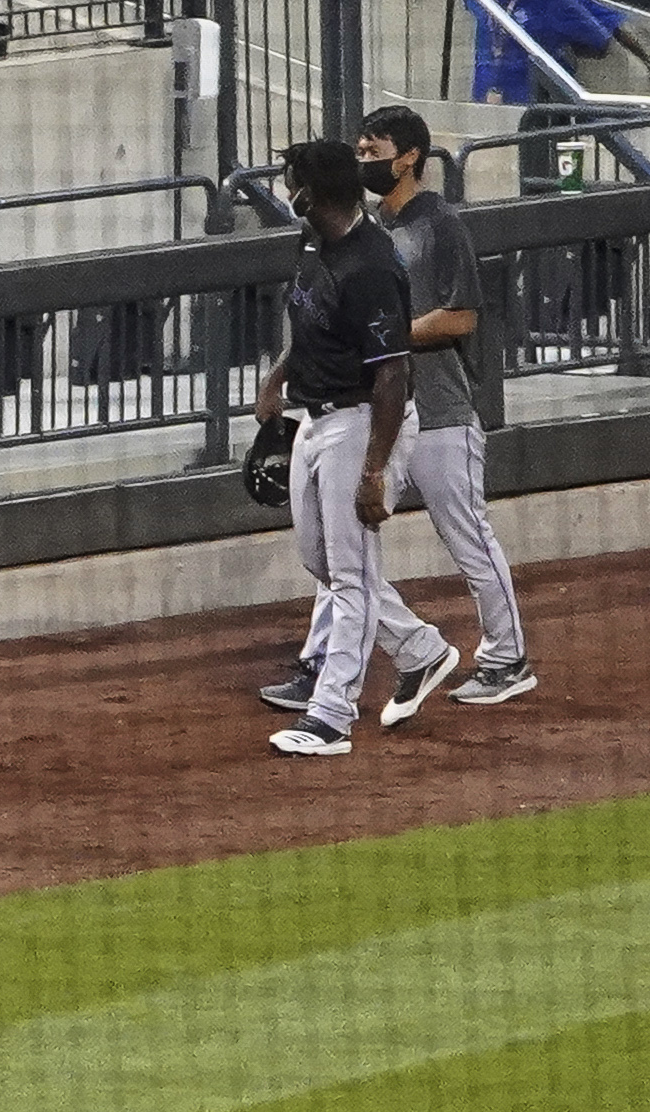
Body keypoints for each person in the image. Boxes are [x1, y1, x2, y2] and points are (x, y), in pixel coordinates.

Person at [256, 139, 441, 758]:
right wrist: (277, 377)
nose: (286, 191)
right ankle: (418, 648)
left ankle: (331, 716)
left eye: (292, 182)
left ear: (315, 193)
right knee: (323, 561)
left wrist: (374, 470)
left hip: (363, 421)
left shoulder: (371, 266)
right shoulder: (312, 240)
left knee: (352, 576)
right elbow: (309, 323)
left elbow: (392, 373)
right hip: (315, 416)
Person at [361, 107, 535, 709]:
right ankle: (352, 658)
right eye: (360, 149)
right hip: (379, 416)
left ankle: (508, 658)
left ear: (408, 157)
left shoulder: (439, 223)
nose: (364, 158)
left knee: (469, 540)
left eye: (374, 149)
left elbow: (461, 317)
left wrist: (386, 337)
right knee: (342, 545)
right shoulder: (367, 228)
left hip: (440, 410)